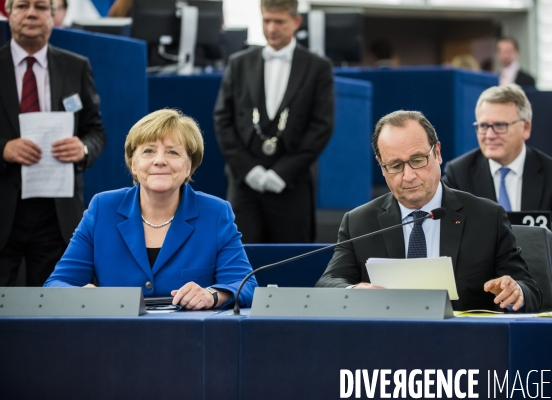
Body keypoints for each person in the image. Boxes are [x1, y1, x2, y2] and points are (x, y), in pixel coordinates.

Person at [316, 110, 542, 313]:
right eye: (395, 166)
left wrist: (516, 291)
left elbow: (530, 290)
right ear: (381, 166)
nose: (409, 176)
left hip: (465, 344)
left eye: (417, 160)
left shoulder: (486, 217)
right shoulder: (360, 222)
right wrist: (354, 290)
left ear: (438, 153)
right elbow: (328, 283)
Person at [45, 109, 257, 310]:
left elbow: (246, 286)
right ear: (133, 164)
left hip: (189, 338)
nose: (160, 161)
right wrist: (80, 295)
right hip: (115, 335)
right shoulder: (103, 209)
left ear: (189, 166)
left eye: (173, 152)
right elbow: (56, 284)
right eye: (148, 151)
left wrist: (212, 295)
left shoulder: (215, 212)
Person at [0, 0, 106, 286]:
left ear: (54, 14)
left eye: (41, 6)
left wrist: (82, 147)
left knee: (53, 311)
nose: (32, 13)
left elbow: (96, 131)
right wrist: (4, 149)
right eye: (22, 5)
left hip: (57, 214)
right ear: (8, 12)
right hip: (5, 207)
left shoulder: (76, 66)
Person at [214, 0, 334, 243]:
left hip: (292, 185)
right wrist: (248, 170)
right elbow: (222, 119)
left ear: (296, 22)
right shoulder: (239, 63)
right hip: (244, 186)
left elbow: (321, 126)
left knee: (289, 262)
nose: (271, 28)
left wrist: (283, 173)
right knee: (241, 261)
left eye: (279, 21)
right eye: (266, 20)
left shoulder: (318, 67)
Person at [443, 84, 552, 243]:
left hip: (537, 265)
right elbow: (444, 229)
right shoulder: (458, 173)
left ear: (526, 128)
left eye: (500, 125)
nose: (490, 135)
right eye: (483, 126)